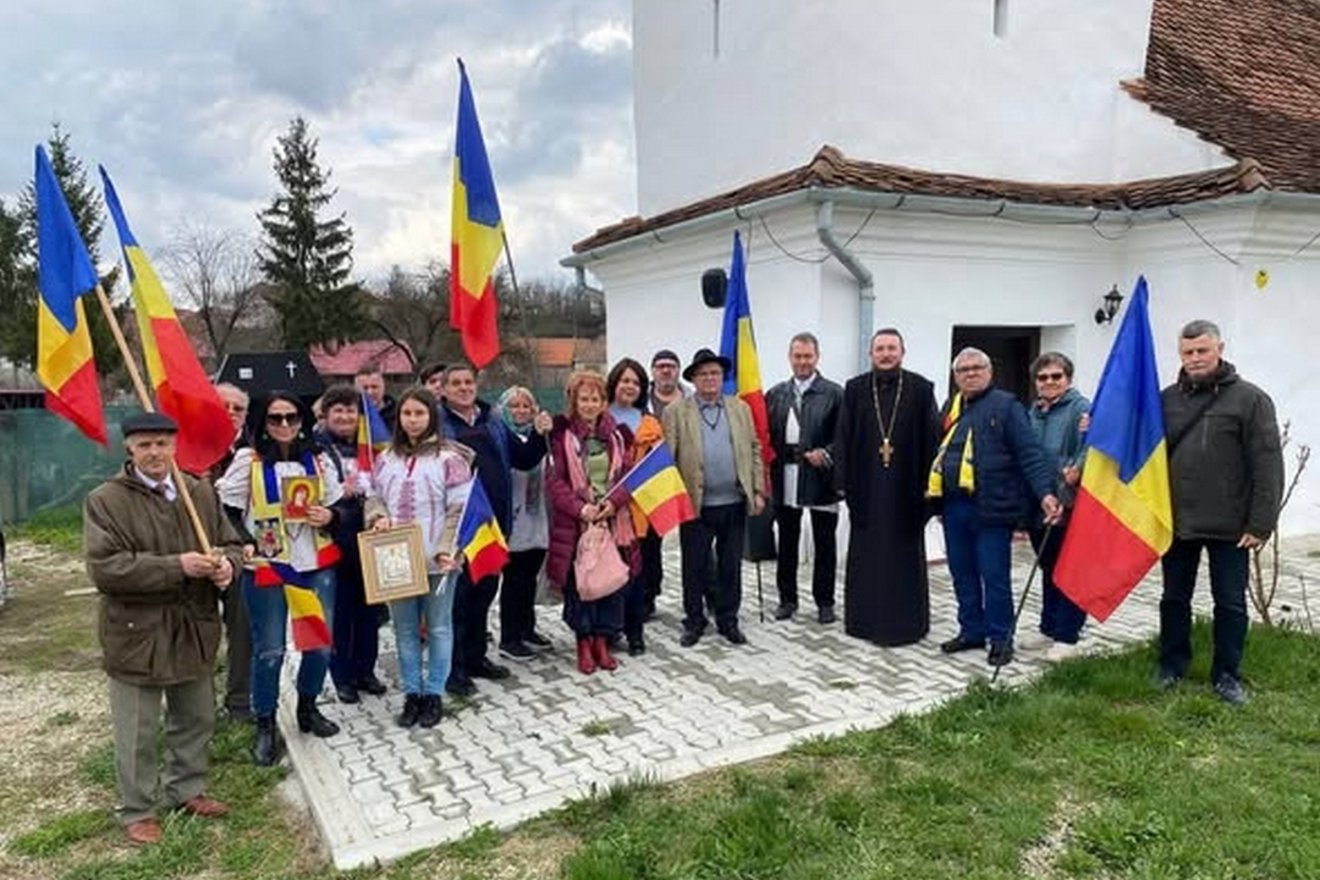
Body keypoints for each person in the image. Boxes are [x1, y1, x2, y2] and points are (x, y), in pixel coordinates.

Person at [84, 412, 244, 845]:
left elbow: (230, 543)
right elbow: (106, 569)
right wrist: (177, 566)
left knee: (196, 715)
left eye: (162, 443)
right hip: (137, 630)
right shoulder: (106, 500)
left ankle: (186, 789)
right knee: (137, 728)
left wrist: (228, 565)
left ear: (175, 446)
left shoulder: (199, 491)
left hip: (193, 623)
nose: (155, 452)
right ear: (129, 450)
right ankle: (137, 808)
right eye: (145, 445)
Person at [1158, 320, 1283, 705]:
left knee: (1229, 602)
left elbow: (1267, 464)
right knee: (1173, 598)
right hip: (1178, 521)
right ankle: (1171, 665)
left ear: (1219, 349)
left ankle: (1227, 674)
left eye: (1202, 351)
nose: (1194, 359)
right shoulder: (1165, 399)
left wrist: (1261, 523)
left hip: (1231, 525)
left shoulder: (1251, 399)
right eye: (1187, 352)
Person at [219, 392, 346, 764]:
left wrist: (332, 517)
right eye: (276, 419)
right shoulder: (249, 461)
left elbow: (341, 504)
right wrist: (241, 542)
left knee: (319, 645)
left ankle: (307, 708)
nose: (285, 425)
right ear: (263, 423)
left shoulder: (319, 461)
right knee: (270, 649)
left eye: (291, 417)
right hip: (269, 566)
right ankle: (266, 723)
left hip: (316, 564)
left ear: (303, 419)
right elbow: (224, 509)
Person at [929, 347, 1061, 667]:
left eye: (977, 368)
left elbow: (1029, 453)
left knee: (994, 576)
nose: (971, 374)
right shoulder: (952, 406)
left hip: (993, 506)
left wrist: (1045, 493)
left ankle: (1001, 639)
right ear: (955, 376)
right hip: (955, 505)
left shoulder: (1006, 406)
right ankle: (971, 630)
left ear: (990, 372)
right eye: (963, 370)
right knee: (962, 572)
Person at [438, 363, 552, 696]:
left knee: (483, 596)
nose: (463, 388)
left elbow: (524, 458)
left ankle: (476, 658)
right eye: (455, 383)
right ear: (443, 390)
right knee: (457, 603)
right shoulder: (439, 425)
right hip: (459, 528)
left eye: (468, 382)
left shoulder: (493, 420)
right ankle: (454, 669)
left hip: (493, 526)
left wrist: (540, 435)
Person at [365, 388, 473, 727]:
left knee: (439, 628)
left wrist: (447, 550)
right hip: (396, 558)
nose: (412, 420)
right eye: (406, 414)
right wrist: (377, 516)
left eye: (419, 414)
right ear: (398, 418)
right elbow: (373, 496)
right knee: (405, 629)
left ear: (432, 417)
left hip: (438, 559)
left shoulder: (449, 459)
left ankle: (435, 693)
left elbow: (459, 510)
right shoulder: (386, 459)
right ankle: (412, 693)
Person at [835, 329, 941, 646]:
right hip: (866, 488)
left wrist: (931, 488)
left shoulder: (921, 389)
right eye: (880, 348)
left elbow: (932, 439)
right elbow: (843, 437)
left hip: (907, 489)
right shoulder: (854, 389)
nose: (885, 354)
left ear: (902, 352)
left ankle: (908, 624)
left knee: (903, 556)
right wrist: (842, 482)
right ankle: (863, 621)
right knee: (866, 555)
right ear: (871, 354)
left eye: (891, 348)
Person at [663, 348, 766, 647]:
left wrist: (758, 489)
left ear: (723, 377)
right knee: (693, 566)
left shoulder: (740, 408)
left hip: (733, 501)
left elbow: (755, 448)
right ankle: (694, 621)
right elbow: (668, 459)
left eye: (715, 373)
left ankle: (728, 620)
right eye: (703, 374)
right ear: (694, 379)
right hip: (695, 505)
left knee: (730, 565)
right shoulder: (676, 412)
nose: (710, 378)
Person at [546, 370, 639, 673]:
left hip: (611, 521)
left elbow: (629, 476)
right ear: (574, 401)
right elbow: (555, 483)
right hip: (576, 525)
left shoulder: (618, 436)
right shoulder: (561, 437)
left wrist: (613, 503)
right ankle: (584, 642)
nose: (589, 404)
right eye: (583, 399)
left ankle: (603, 639)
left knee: (609, 581)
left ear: (603, 402)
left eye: (595, 399)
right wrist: (581, 509)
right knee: (581, 585)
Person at [313, 385, 387, 704]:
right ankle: (341, 676)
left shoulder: (370, 446)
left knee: (370, 609)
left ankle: (365, 671)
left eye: (350, 410)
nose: (345, 416)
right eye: (338, 410)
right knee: (340, 611)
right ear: (325, 415)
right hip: (335, 536)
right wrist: (335, 491)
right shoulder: (315, 448)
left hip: (368, 532)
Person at [766, 332, 843, 624]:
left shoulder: (834, 393)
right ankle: (787, 599)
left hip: (821, 476)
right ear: (790, 358)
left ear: (817, 357)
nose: (802, 362)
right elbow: (767, 437)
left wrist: (826, 453)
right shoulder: (776, 394)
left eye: (807, 356)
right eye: (797, 356)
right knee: (787, 540)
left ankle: (825, 602)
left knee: (825, 542)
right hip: (786, 474)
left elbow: (844, 437)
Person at [1024, 352, 1090, 661]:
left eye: (1056, 376)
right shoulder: (1033, 412)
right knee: (1048, 567)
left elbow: (1090, 450)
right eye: (1043, 377)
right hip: (1040, 501)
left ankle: (1068, 636)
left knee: (1071, 571)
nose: (1049, 382)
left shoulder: (1082, 409)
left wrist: (1073, 477)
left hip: (1069, 503)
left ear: (1068, 378)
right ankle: (1048, 627)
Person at [607, 357, 666, 654]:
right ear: (614, 383)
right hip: (607, 510)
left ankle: (635, 631)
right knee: (608, 572)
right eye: (624, 380)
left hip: (641, 510)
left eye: (635, 382)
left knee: (636, 573)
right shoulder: (599, 418)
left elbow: (660, 467)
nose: (629, 386)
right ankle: (608, 629)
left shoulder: (651, 423)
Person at [496, 386, 552, 661]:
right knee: (514, 580)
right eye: (515, 406)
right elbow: (523, 461)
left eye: (526, 406)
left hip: (537, 514)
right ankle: (509, 637)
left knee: (530, 578)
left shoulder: (540, 434)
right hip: (514, 516)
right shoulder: (502, 436)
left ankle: (527, 629)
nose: (520, 411)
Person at [212, 382, 253, 720]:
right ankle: (191, 704)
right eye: (223, 405)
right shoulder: (181, 450)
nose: (230, 413)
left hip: (239, 553)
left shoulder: (255, 452)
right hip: (191, 552)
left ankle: (240, 700)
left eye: (237, 408)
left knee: (243, 627)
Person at [648, 349, 689, 418]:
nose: (666, 371)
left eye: (671, 366)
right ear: (652, 371)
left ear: (679, 370)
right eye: (660, 366)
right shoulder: (640, 401)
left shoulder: (694, 400)